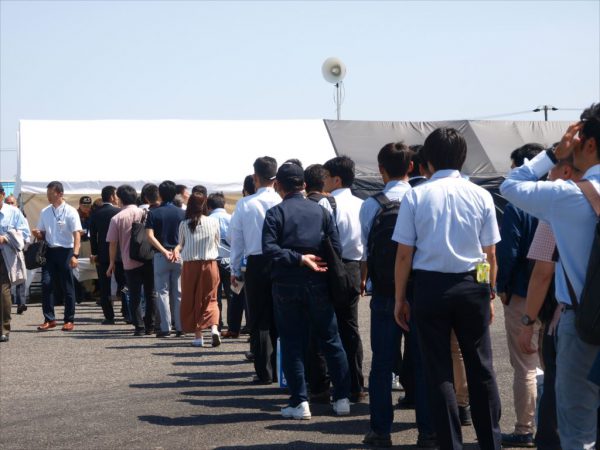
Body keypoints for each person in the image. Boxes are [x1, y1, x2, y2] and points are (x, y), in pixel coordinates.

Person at [394, 128, 502, 450]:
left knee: (438, 370)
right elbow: (491, 253)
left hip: (430, 286)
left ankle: (450, 444)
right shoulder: (481, 194)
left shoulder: (416, 195)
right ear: (463, 158)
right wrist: (490, 292)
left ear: (426, 160)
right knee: (481, 366)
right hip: (472, 285)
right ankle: (490, 443)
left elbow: (404, 253)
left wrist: (400, 297)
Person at [500, 103, 600, 449]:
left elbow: (510, 186)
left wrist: (553, 153)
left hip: (583, 321)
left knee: (577, 430)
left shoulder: (567, 196)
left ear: (586, 143)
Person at [262, 162, 351, 419]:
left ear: (278, 185)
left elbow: (269, 249)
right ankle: (343, 398)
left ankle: (300, 402)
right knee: (331, 340)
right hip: (319, 282)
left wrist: (298, 258)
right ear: (303, 184)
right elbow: (336, 247)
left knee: (292, 343)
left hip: (286, 284)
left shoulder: (275, 213)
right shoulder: (321, 212)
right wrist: (314, 260)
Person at [359, 142, 413, 447]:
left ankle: (380, 430)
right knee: (422, 358)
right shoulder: (420, 198)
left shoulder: (371, 204)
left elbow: (367, 249)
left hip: (383, 291)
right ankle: (429, 431)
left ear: (381, 170)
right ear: (411, 168)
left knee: (381, 363)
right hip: (417, 292)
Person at [496, 143, 543, 448]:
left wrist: (501, 286)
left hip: (523, 293)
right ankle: (549, 426)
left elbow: (509, 252)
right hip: (556, 296)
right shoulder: (559, 201)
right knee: (548, 363)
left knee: (525, 364)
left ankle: (525, 428)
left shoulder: (517, 206)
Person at [229, 157, 281, 384]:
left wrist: (235, 268)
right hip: (281, 261)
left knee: (259, 319)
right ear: (276, 178)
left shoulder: (245, 204)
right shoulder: (282, 200)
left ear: (255, 177)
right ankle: (282, 369)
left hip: (255, 263)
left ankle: (264, 372)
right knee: (281, 316)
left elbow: (236, 240)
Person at [322, 155, 366, 403]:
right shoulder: (363, 205)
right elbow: (366, 246)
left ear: (336, 179)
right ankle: (357, 385)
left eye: (327, 176)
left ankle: (337, 384)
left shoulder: (326, 205)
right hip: (354, 268)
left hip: (331, 267)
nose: (325, 181)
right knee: (351, 329)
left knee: (330, 329)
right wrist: (363, 277)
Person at [33, 181, 82, 332]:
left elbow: (77, 234)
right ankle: (49, 319)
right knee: (46, 283)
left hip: (66, 251)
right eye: (47, 193)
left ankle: (69, 320)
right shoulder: (45, 211)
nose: (48, 196)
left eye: (50, 193)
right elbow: (42, 233)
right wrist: (38, 233)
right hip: (49, 251)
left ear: (60, 193)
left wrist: (75, 254)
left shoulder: (71, 211)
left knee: (67, 286)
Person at [107, 185, 157, 336]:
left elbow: (113, 243)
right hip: (149, 258)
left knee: (134, 294)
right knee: (151, 293)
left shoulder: (117, 218)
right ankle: (151, 325)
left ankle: (139, 327)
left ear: (120, 198)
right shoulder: (147, 213)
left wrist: (111, 263)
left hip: (129, 260)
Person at [174, 193, 221, 347]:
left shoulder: (184, 224)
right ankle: (214, 328)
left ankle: (198, 336)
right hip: (210, 264)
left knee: (192, 299)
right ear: (205, 205)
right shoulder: (213, 222)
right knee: (211, 298)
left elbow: (181, 244)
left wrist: (176, 249)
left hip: (190, 266)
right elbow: (217, 242)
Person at [145, 181, 185, 338]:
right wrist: (176, 249)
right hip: (178, 255)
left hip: (161, 256)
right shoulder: (182, 213)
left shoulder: (153, 213)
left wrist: (163, 251)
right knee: (178, 292)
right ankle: (180, 326)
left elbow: (149, 236)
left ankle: (165, 327)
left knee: (162, 292)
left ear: (160, 194)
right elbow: (185, 237)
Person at [89, 185, 123, 325]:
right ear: (111, 197)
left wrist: (95, 253)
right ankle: (127, 314)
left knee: (104, 286)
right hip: (120, 253)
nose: (117, 198)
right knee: (124, 283)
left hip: (103, 254)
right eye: (115, 195)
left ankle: (109, 316)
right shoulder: (119, 212)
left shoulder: (96, 214)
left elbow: (93, 237)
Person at [0, 184, 30, 342]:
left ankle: (4, 328)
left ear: (2, 195)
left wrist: (5, 238)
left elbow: (26, 235)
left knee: (3, 290)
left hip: (5, 255)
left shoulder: (13, 212)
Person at [206, 192, 232, 333]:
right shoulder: (231, 218)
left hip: (213, 261)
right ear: (224, 204)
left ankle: (217, 322)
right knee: (232, 294)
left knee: (214, 295)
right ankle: (232, 324)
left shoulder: (206, 220)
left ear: (209, 206)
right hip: (230, 260)